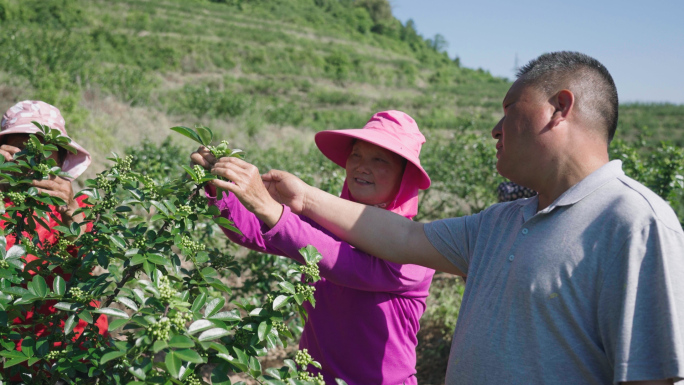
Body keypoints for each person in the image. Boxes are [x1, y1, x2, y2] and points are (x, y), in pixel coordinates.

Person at [225, 52, 684, 384]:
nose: (496, 129)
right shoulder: (500, 221)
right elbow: (404, 237)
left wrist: (278, 210)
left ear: (560, 108)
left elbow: (652, 376)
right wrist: (297, 197)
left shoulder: (633, 222)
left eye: (509, 109)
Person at [192, 110, 434, 384]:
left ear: (405, 177)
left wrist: (269, 207)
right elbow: (252, 232)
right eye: (356, 155)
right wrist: (219, 186)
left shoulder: (416, 251)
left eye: (379, 159)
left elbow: (338, 262)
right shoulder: (326, 223)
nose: (361, 166)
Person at [0, 101, 108, 365]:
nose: (34, 161)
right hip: (12, 349)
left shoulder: (79, 206)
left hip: (71, 346)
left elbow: (94, 265)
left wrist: (70, 209)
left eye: (44, 150)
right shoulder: (5, 205)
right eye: (22, 150)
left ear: (60, 159)